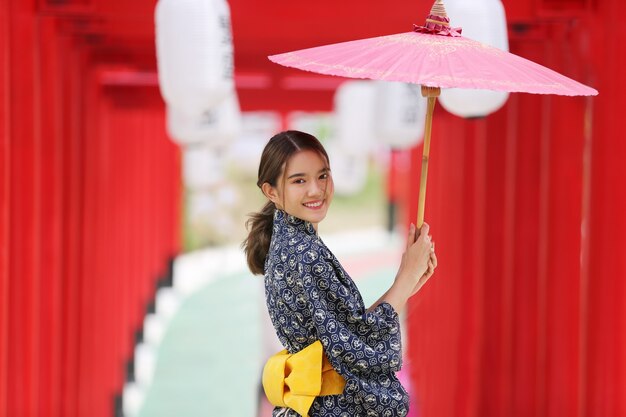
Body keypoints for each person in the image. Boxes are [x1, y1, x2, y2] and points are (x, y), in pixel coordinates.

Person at [243, 130, 437, 417]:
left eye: (323, 175)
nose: (316, 189)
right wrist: (405, 278)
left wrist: (406, 282)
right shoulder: (306, 255)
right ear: (271, 191)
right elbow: (356, 342)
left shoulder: (290, 244)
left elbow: (345, 328)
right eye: (300, 180)